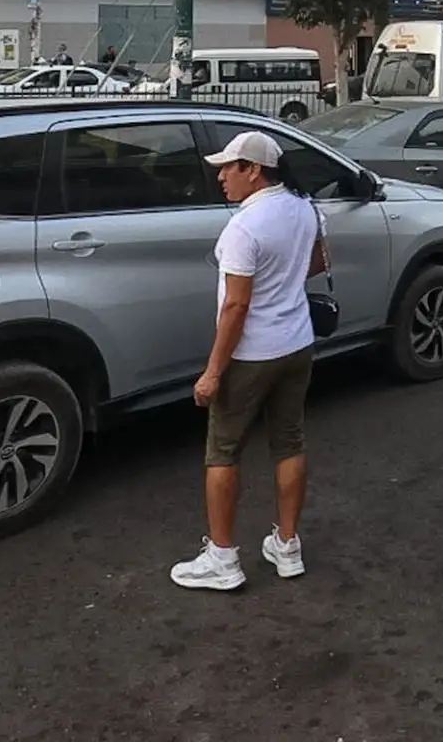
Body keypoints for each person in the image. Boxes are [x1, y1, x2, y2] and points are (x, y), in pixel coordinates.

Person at [171, 131, 326, 593]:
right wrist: (283, 279)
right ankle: (288, 545)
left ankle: (222, 558)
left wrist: (213, 372)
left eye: (228, 168)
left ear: (253, 170)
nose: (221, 177)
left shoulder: (244, 228)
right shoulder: (304, 208)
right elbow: (318, 263)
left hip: (251, 354)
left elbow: (236, 306)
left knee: (223, 451)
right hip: (297, 344)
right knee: (289, 441)